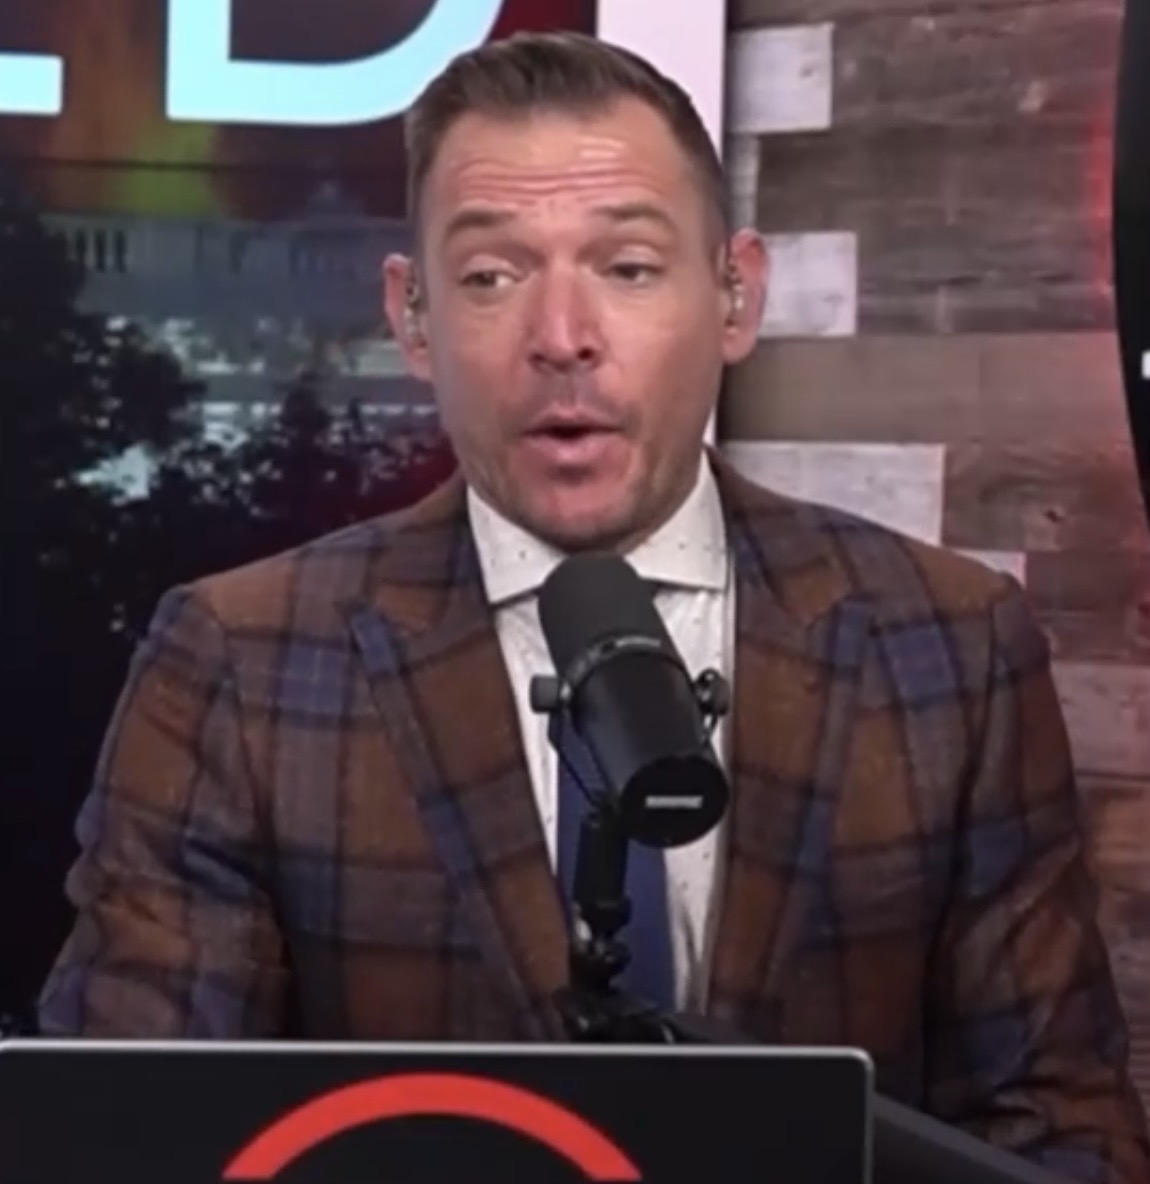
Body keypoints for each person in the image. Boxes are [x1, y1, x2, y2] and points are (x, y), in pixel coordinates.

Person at [38, 30, 1149, 1180]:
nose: (562, 337)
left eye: (627, 267)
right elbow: (125, 1131)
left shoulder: (950, 644)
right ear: (412, 316)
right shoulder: (239, 659)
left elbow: (1055, 1128)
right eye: (491, 275)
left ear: (735, 294)